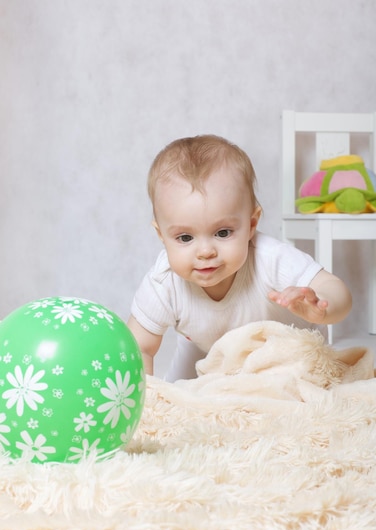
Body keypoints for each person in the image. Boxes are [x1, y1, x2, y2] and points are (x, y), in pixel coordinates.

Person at [128, 135, 352, 381]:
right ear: (162, 234)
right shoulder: (164, 282)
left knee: (294, 395)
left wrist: (321, 306)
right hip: (208, 350)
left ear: (251, 224)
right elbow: (139, 347)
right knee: (179, 395)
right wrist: (146, 402)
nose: (205, 252)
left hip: (287, 353)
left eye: (222, 233)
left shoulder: (270, 259)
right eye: (184, 238)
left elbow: (337, 290)